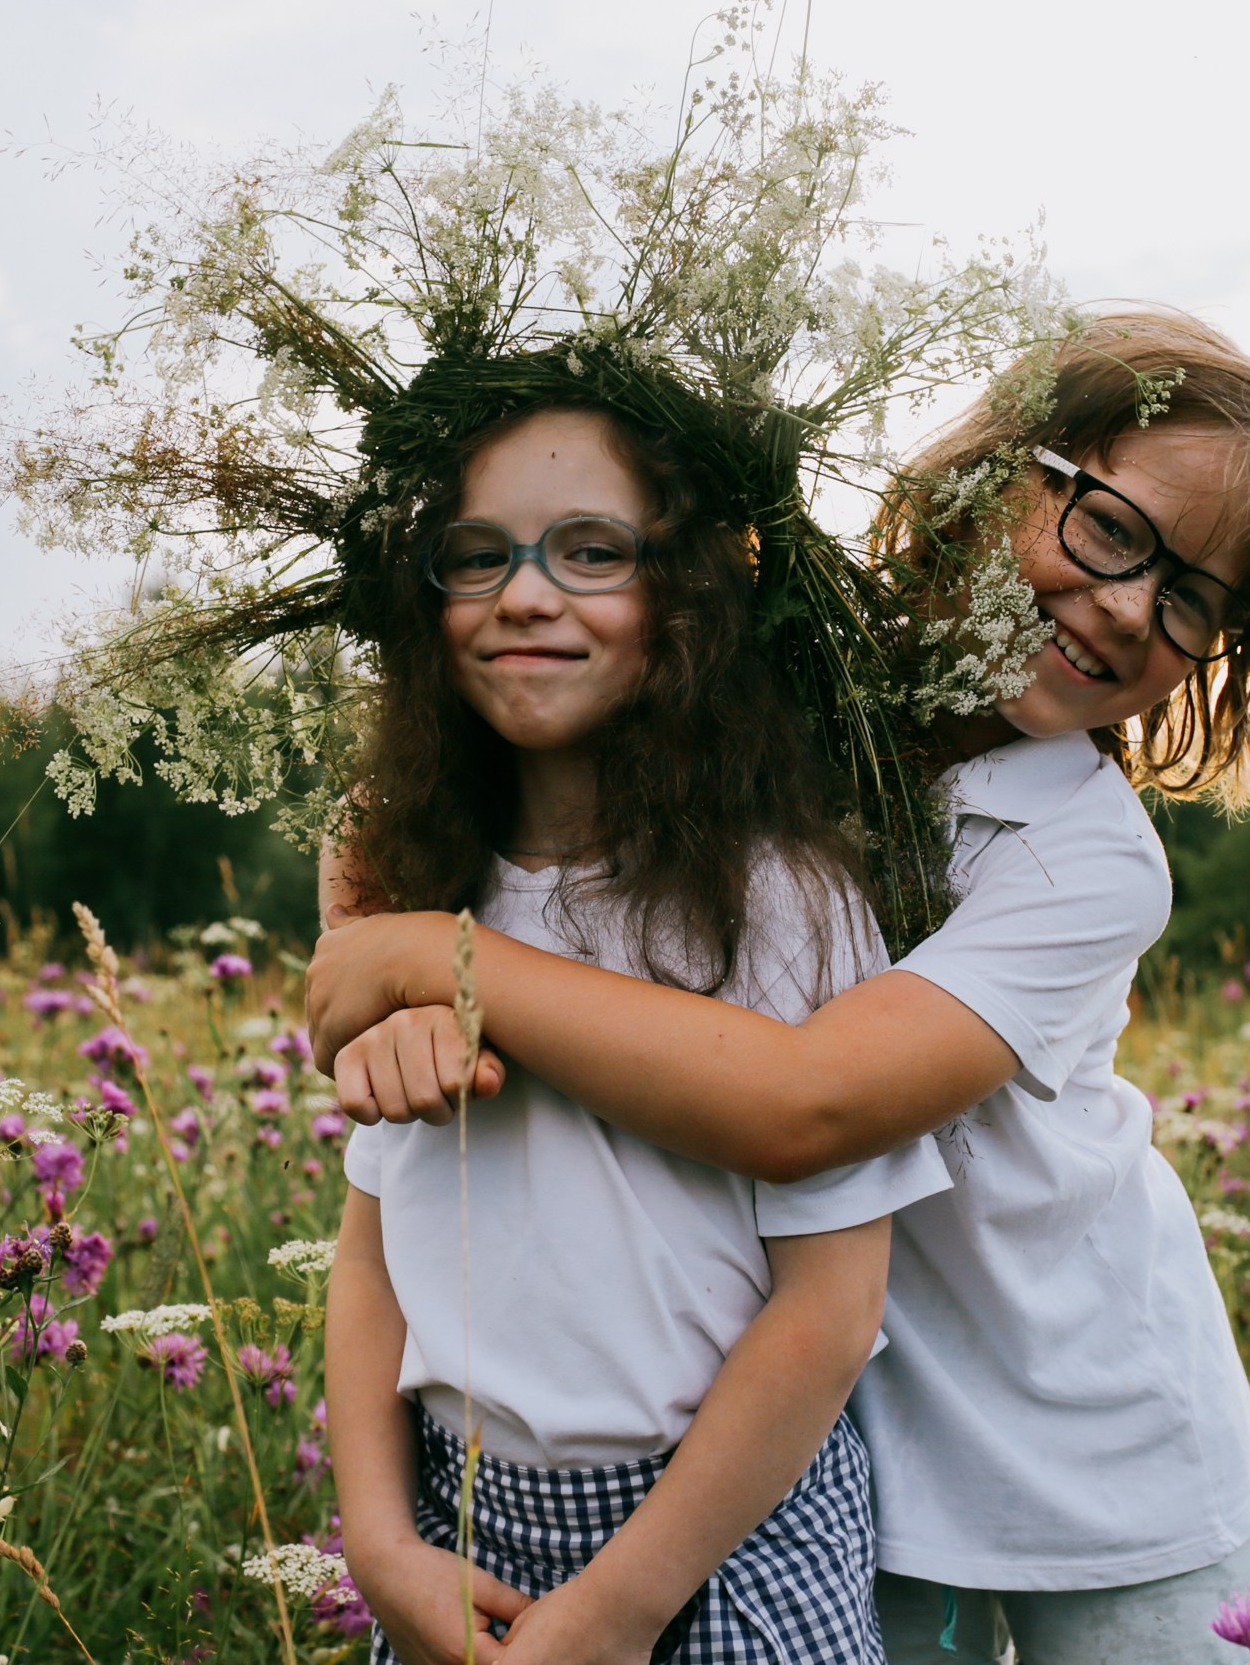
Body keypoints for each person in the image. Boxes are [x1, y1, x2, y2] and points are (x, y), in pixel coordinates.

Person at [311, 307, 1250, 1664]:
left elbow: (808, 1104)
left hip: (1091, 1441)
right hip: (820, 1441)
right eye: (1109, 527)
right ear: (991, 476)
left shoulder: (1090, 856)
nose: (1132, 605)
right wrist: (390, 926)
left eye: (1195, 598)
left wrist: (442, 960)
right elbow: (483, 797)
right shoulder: (793, 702)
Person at [319, 378, 953, 1665]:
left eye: (592, 552)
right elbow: (369, 1257)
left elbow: (830, 1312)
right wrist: (380, 1546)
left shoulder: (780, 895)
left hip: (720, 1544)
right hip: (460, 1540)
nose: (527, 594)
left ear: (684, 603)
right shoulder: (414, 883)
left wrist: (620, 1606)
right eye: (478, 555)